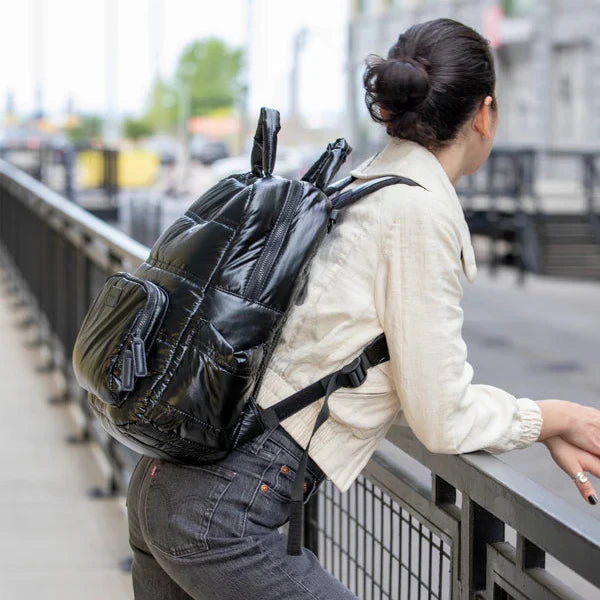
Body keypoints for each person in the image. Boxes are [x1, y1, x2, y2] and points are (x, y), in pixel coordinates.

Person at [126, 17, 600, 600]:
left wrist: (526, 424)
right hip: (223, 517)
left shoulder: (358, 187)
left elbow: (395, 381)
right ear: (485, 112)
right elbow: (441, 417)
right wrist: (550, 417)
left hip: (168, 481)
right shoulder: (418, 215)